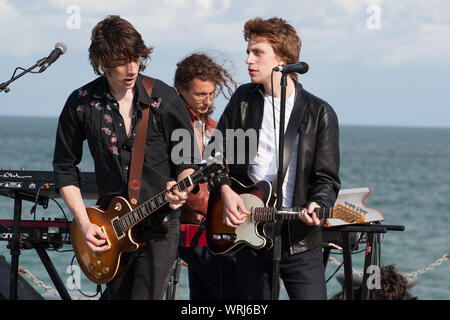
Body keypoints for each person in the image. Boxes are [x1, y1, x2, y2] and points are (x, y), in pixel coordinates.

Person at [52, 15, 199, 300]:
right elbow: (64, 168)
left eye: (136, 58)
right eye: (121, 62)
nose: (132, 68)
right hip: (110, 229)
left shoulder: (163, 98)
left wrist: (182, 188)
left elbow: (187, 161)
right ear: (102, 62)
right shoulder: (82, 102)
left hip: (160, 224)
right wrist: (84, 224)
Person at [211, 17, 341, 300]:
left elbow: (326, 178)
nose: (248, 59)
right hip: (249, 231)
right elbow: (215, 155)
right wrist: (226, 192)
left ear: (283, 59)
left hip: (300, 240)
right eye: (248, 51)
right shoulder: (242, 101)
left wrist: (319, 203)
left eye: (257, 52)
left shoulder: (320, 113)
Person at [174, 52, 240, 299]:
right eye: (201, 94)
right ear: (181, 89)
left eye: (211, 94)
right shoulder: (172, 127)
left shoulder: (213, 127)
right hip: (191, 229)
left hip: (216, 229)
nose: (207, 100)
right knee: (235, 293)